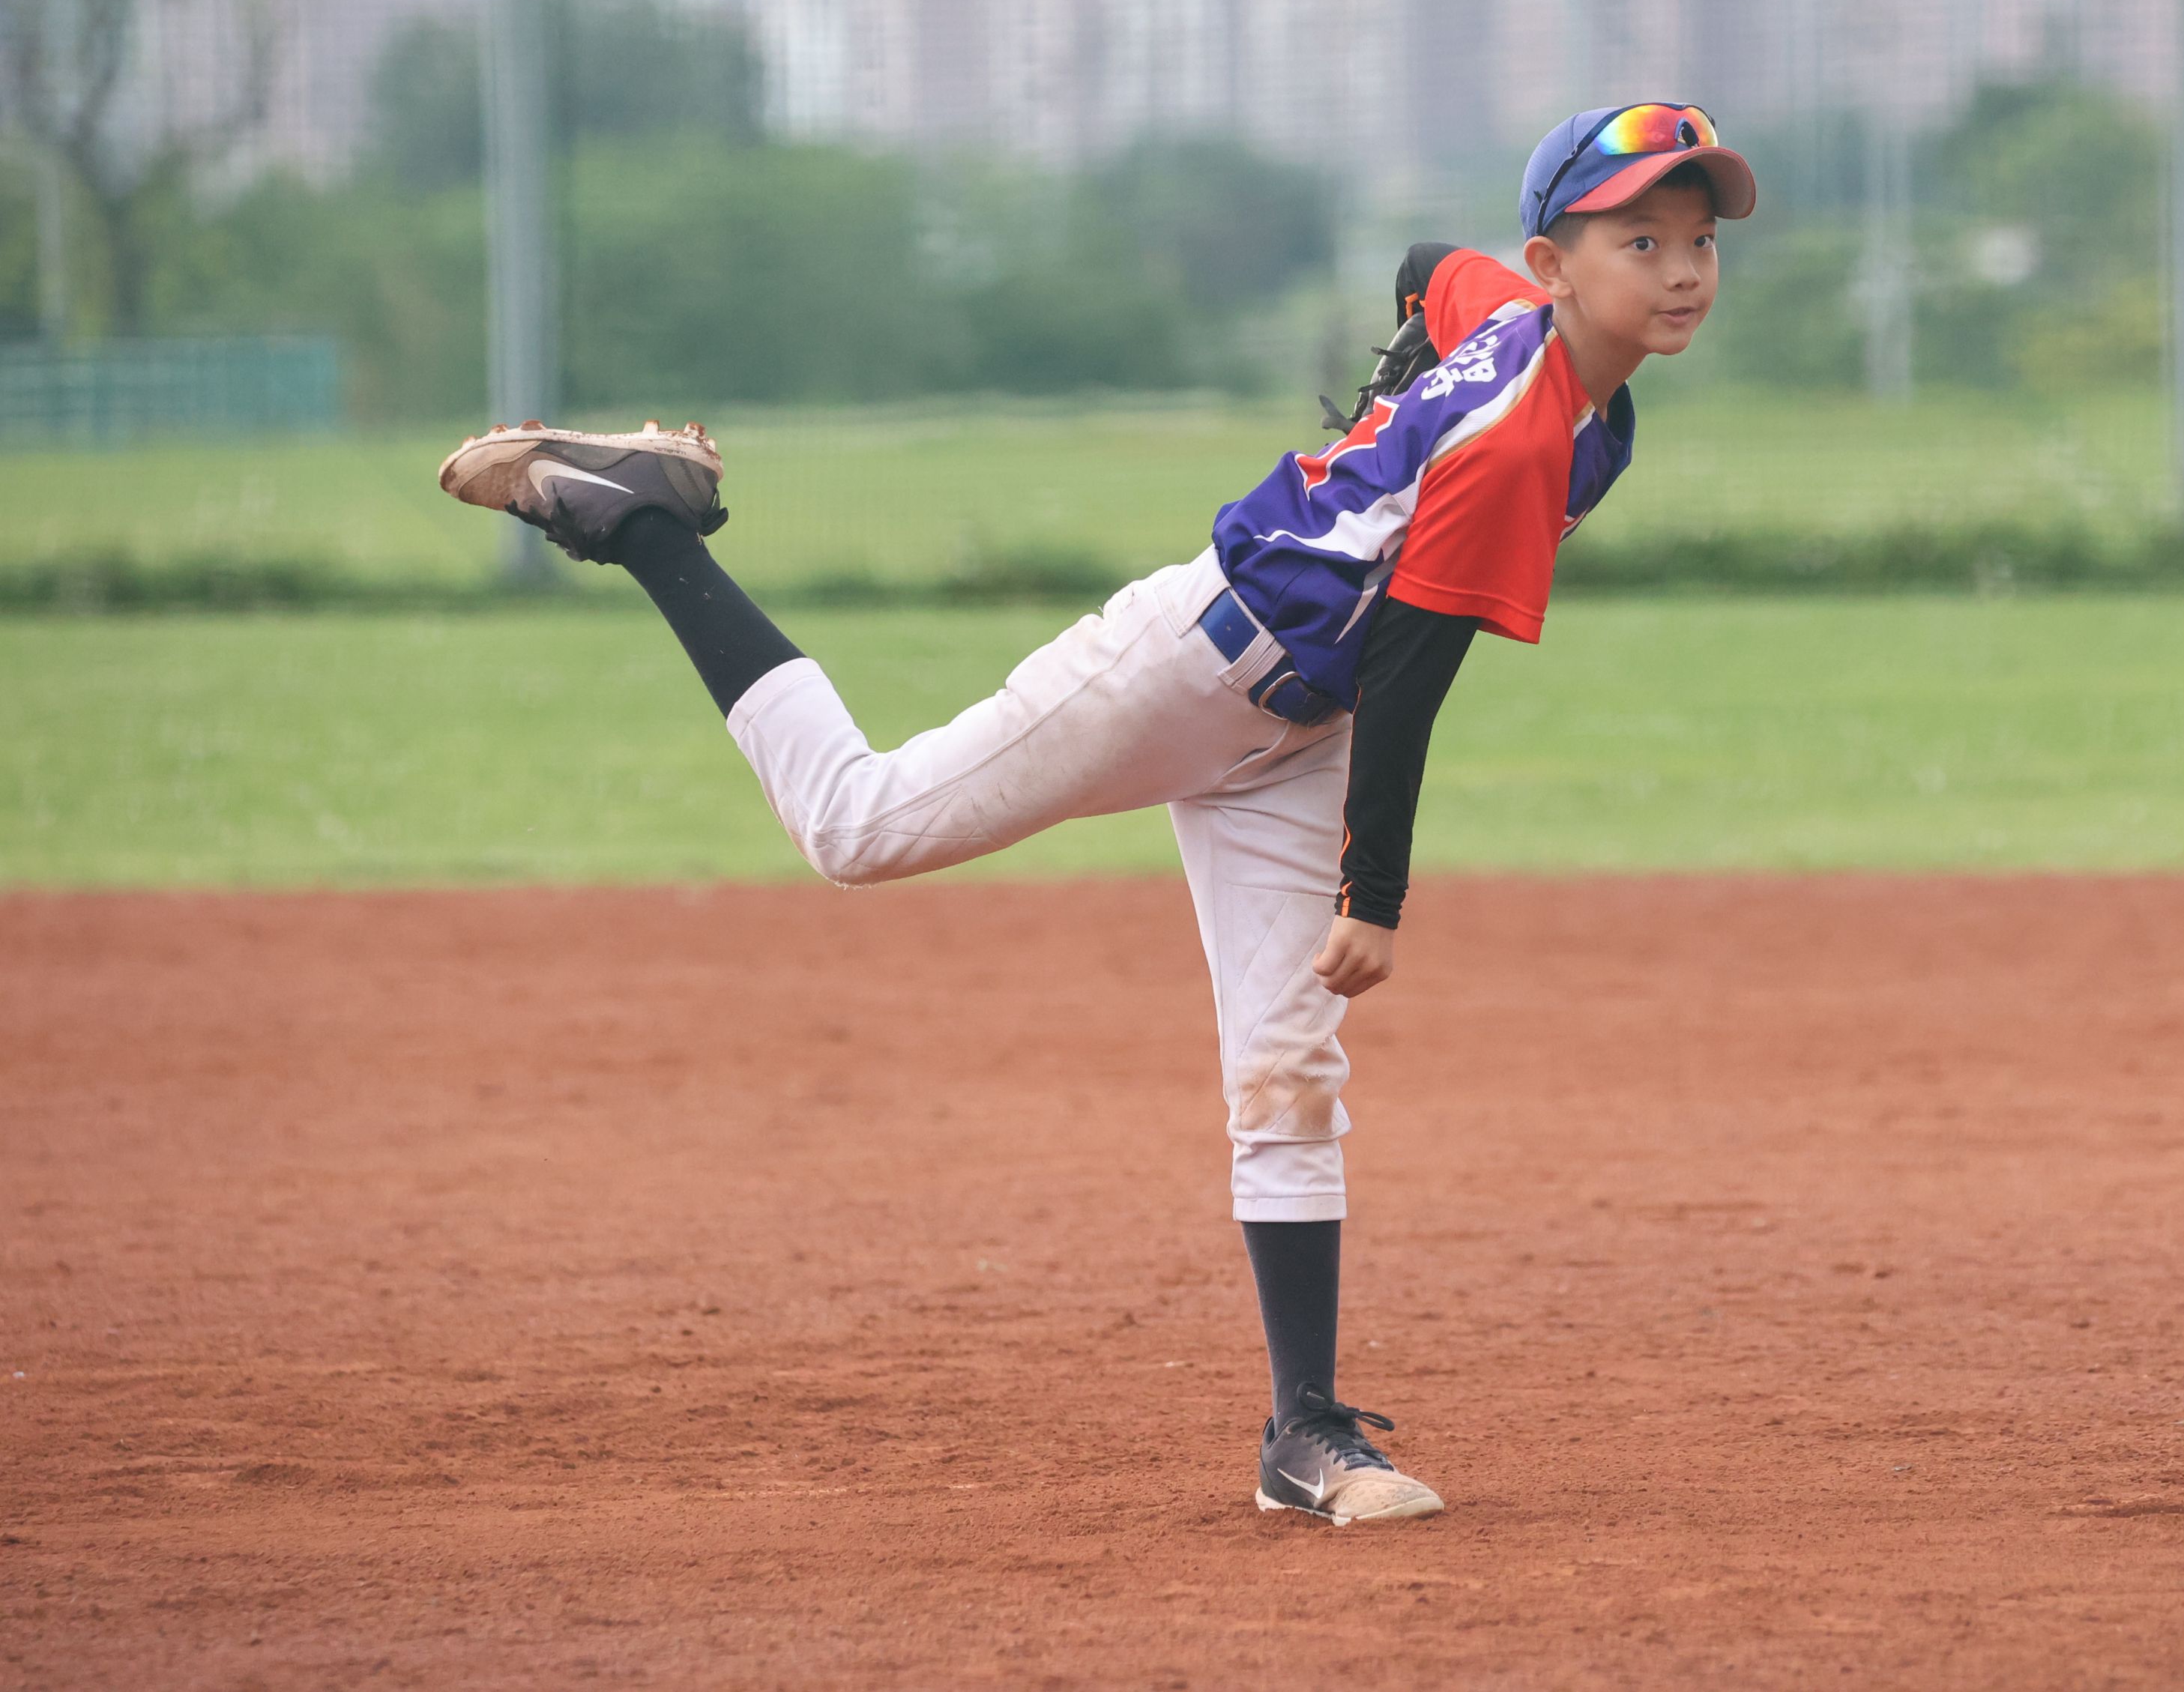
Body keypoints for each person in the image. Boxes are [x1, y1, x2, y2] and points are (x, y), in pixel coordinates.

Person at [438, 103, 1755, 1526]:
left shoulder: (1537, 344)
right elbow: (1409, 670)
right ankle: (642, 516)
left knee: (1288, 1069)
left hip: (1301, 731)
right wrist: (1373, 896)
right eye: (1638, 240)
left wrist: (1389, 410)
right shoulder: (1512, 436)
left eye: (1696, 239)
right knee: (855, 826)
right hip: (1189, 665)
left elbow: (1427, 269)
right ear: (1553, 266)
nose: (1680, 269)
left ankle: (1304, 1432)